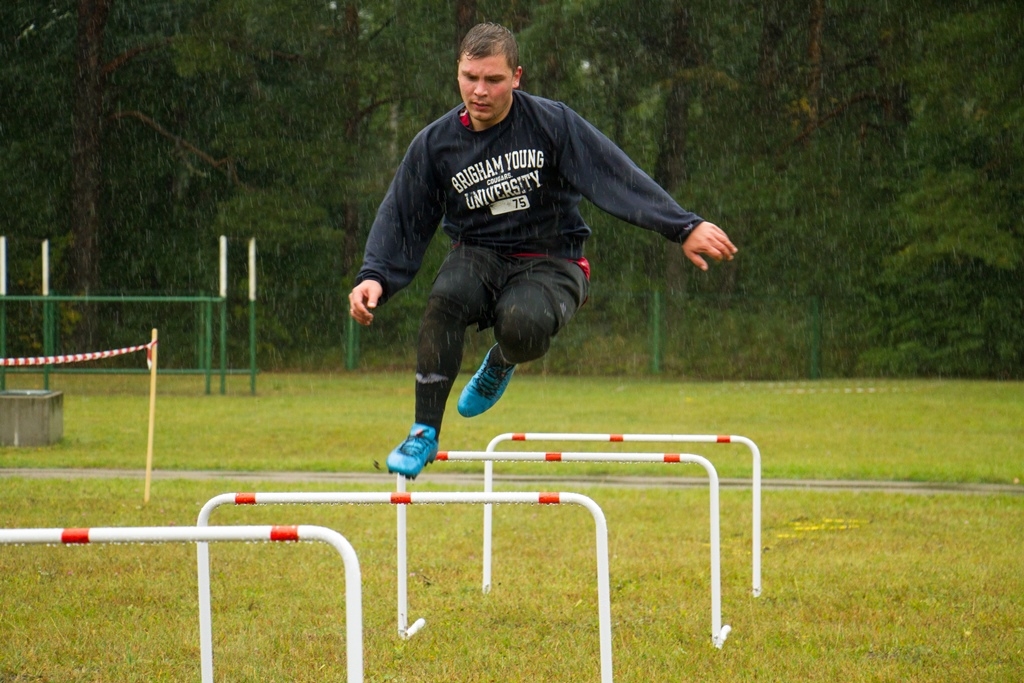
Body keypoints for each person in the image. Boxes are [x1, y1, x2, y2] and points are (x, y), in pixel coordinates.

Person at [349, 22, 736, 479]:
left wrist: (682, 226)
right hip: (478, 253)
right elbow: (402, 215)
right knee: (446, 298)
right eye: (470, 77)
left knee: (522, 324)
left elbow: (615, 174)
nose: (480, 91)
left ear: (517, 76)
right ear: (458, 72)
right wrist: (374, 274)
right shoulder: (435, 145)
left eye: (493, 79)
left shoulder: (551, 123)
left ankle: (503, 360)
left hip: (553, 259)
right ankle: (423, 432)